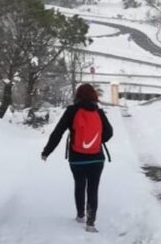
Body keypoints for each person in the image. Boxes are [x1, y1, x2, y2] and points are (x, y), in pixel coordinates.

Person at [41, 84, 113, 233]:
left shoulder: (72, 111)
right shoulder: (98, 112)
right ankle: (90, 223)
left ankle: (80, 215)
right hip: (96, 158)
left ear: (77, 95)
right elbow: (109, 132)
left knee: (79, 185)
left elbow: (58, 132)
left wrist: (47, 151)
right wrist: (96, 141)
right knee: (93, 189)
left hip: (77, 158)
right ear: (94, 96)